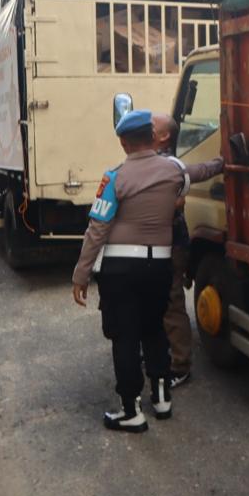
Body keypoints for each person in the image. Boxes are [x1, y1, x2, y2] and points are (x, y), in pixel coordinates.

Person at [71, 110, 196, 431]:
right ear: (152, 139)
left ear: (123, 143)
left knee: (125, 337)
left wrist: (81, 274)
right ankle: (162, 399)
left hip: (121, 270)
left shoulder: (115, 178)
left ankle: (131, 412)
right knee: (155, 330)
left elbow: (97, 229)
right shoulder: (174, 172)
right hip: (160, 266)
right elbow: (187, 186)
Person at [151, 112, 224, 388]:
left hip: (170, 245)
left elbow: (198, 172)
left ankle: (179, 365)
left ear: (164, 136)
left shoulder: (169, 165)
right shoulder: (149, 159)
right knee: (157, 301)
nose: (146, 127)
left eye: (151, 125)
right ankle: (163, 351)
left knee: (171, 302)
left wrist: (220, 164)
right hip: (157, 243)